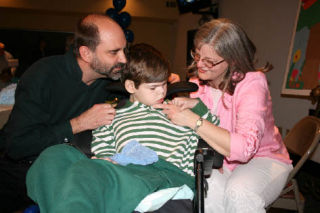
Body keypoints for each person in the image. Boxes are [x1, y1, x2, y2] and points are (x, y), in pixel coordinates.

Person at [25, 43, 219, 213]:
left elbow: (214, 126)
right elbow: (102, 147)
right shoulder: (112, 114)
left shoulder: (177, 110)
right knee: (53, 157)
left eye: (163, 85)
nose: (161, 91)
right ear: (131, 86)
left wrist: (196, 106)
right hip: (125, 171)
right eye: (153, 88)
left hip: (166, 173)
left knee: (87, 172)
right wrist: (107, 161)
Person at [154, 18, 293, 213]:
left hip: (264, 158)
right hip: (221, 157)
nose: (200, 64)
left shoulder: (252, 84)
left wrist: (193, 120)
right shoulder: (197, 84)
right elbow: (210, 124)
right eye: (197, 55)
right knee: (208, 191)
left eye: (209, 61)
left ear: (233, 60)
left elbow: (245, 149)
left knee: (239, 193)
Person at [0, 13, 127, 212]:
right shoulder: (43, 75)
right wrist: (78, 124)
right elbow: (17, 145)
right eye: (114, 52)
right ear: (86, 53)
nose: (124, 59)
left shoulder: (113, 80)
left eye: (124, 50)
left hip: (70, 174)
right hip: (19, 177)